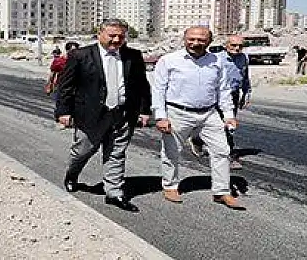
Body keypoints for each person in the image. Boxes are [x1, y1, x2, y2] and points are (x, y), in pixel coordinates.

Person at [54, 19, 152, 212]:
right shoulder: (80, 55)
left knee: (116, 153)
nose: (117, 40)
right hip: (90, 115)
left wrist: (144, 110)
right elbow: (65, 87)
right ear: (100, 34)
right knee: (82, 151)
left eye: (121, 36)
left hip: (123, 114)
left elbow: (142, 85)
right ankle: (72, 175)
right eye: (112, 35)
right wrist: (63, 112)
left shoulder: (133, 56)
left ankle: (114, 192)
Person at [152, 26, 244, 210]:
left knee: (222, 151)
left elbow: (223, 90)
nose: (195, 43)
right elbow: (158, 89)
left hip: (209, 114)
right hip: (178, 112)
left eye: (201, 40)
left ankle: (221, 191)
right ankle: (170, 186)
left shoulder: (216, 62)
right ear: (184, 39)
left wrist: (228, 116)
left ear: (209, 41)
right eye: (191, 39)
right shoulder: (169, 60)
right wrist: (160, 116)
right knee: (172, 151)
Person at [189, 35, 251, 169]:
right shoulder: (216, 58)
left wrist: (246, 93)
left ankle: (227, 154)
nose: (237, 48)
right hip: (215, 95)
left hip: (232, 94)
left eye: (240, 46)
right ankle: (199, 140)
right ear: (226, 46)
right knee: (210, 122)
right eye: (233, 45)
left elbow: (245, 77)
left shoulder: (243, 58)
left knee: (229, 124)